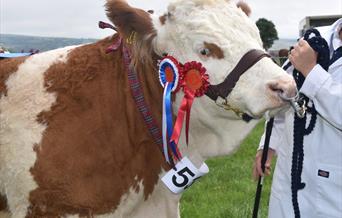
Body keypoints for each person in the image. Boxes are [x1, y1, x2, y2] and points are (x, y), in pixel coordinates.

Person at [253, 18, 342, 218]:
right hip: (289, 171)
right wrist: (269, 144)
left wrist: (311, 71)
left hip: (334, 190)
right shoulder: (315, 36)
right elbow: (288, 92)